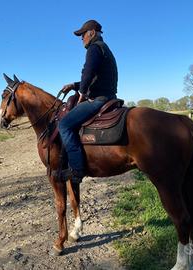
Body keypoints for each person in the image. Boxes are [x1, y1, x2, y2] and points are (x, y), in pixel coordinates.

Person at [59, 19, 118, 183]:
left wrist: (82, 93)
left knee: (64, 125)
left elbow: (88, 73)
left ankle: (77, 170)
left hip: (98, 99)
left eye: (82, 34)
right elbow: (96, 77)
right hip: (109, 96)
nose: (81, 38)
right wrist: (74, 85)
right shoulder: (104, 48)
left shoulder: (94, 48)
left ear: (91, 32)